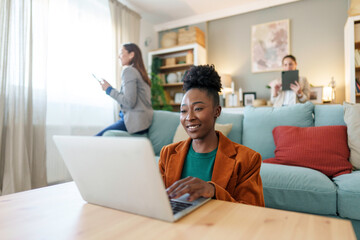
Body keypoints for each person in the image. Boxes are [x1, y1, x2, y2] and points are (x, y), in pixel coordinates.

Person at [158, 65, 264, 206]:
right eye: (183, 111)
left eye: (198, 109)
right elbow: (157, 200)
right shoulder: (168, 153)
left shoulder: (247, 160)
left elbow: (254, 212)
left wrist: (214, 191)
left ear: (217, 111)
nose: (189, 117)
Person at [96, 43, 153, 136]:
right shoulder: (140, 73)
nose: (119, 56)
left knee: (96, 139)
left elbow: (129, 102)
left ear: (131, 55)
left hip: (135, 123)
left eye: (121, 53)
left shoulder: (128, 71)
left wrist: (109, 90)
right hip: (144, 123)